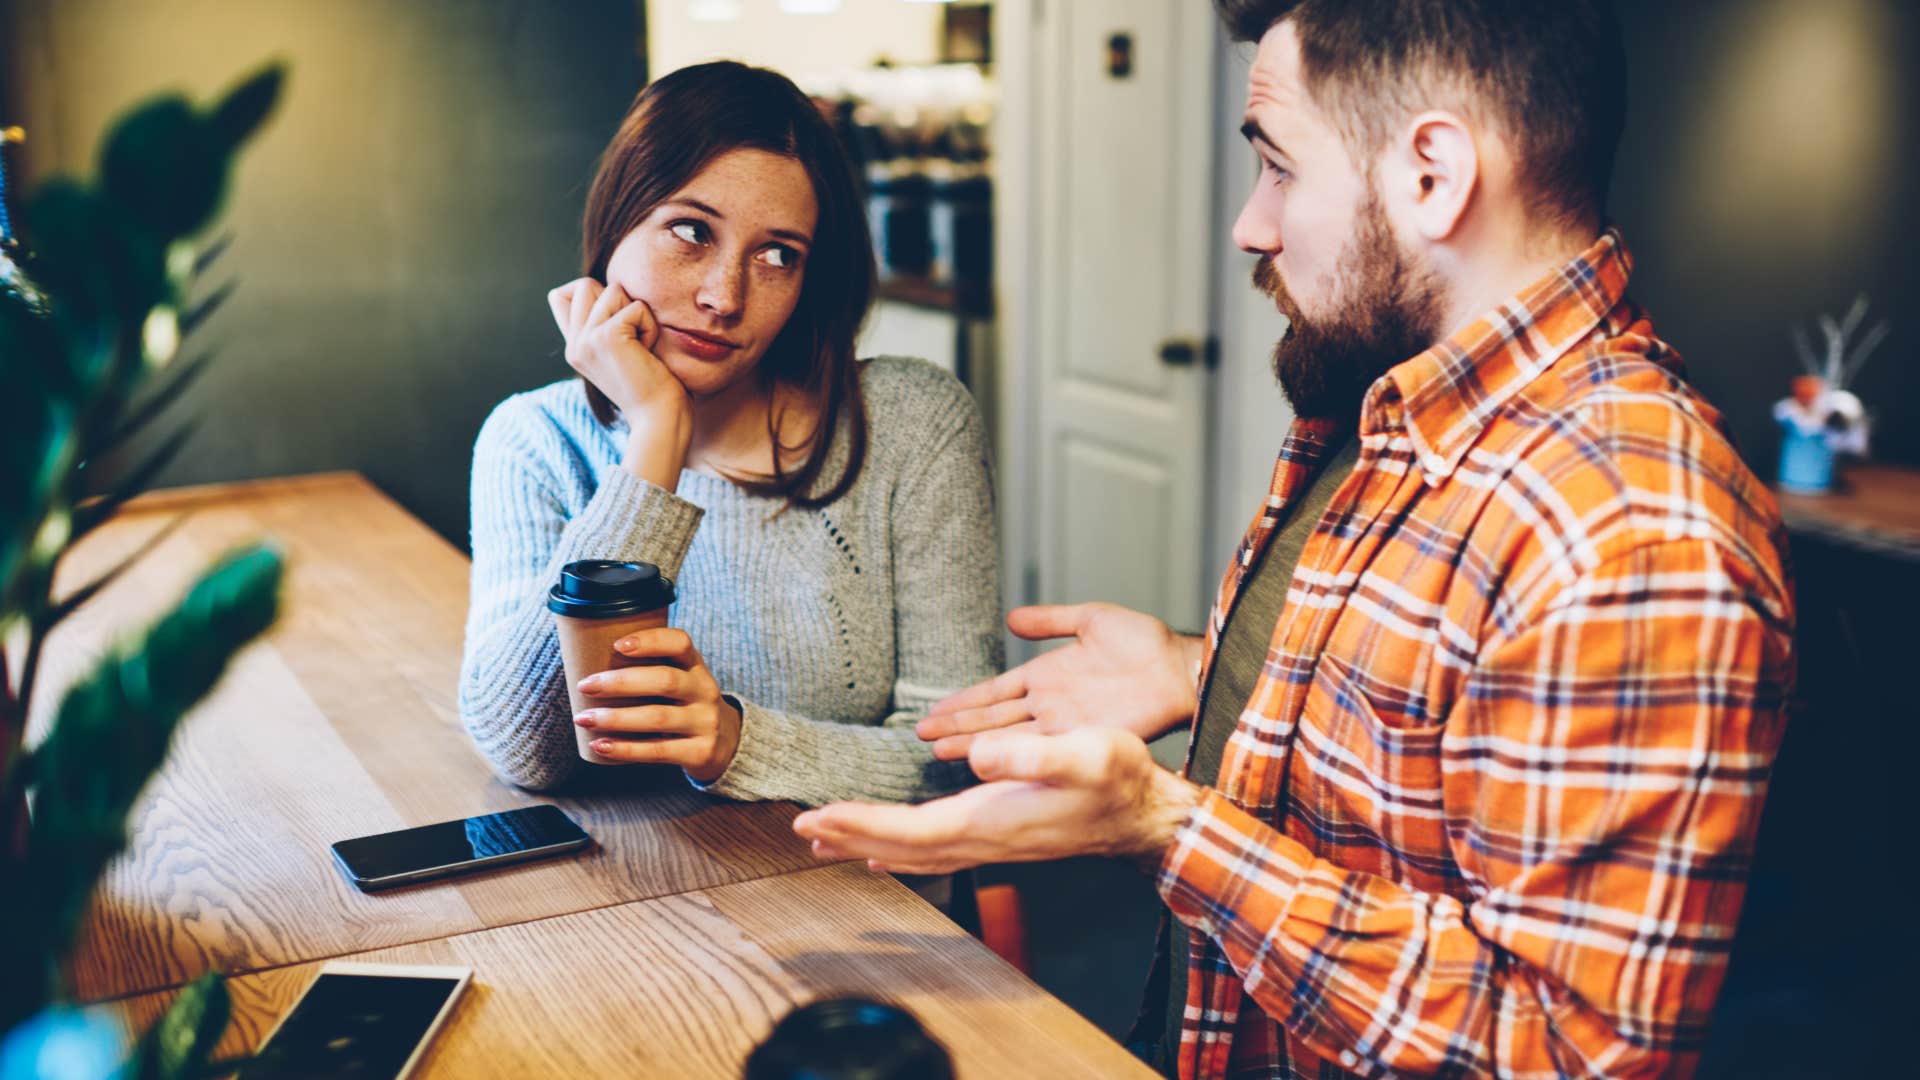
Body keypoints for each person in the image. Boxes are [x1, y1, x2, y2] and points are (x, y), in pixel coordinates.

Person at [793, 2, 1794, 1076]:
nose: (1252, 224)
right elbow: (1431, 712)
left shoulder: (1630, 534)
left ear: (1433, 174)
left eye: (1279, 166)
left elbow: (1564, 1050)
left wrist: (1164, 827)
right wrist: (1202, 667)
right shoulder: (1391, 405)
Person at [459, 61, 1001, 812]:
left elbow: (957, 761)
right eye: (691, 231)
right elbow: (525, 748)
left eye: (778, 255)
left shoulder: (913, 422)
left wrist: (731, 741)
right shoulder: (536, 439)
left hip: (865, 908)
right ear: (617, 222)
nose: (723, 297)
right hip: (635, 901)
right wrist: (656, 440)